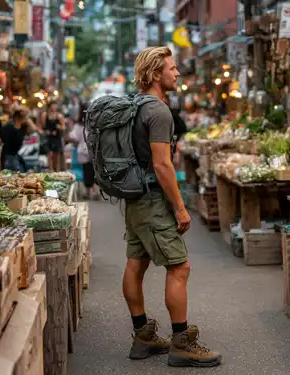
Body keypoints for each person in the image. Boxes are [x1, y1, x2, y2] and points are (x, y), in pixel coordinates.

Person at [123, 46, 221, 367]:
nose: (177, 73)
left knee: (136, 264)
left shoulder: (134, 105)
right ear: (155, 74)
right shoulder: (159, 111)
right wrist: (180, 207)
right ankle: (181, 343)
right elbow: (163, 165)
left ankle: (143, 335)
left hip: (135, 198)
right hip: (152, 200)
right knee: (180, 267)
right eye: (172, 68)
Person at [69, 101, 99, 200]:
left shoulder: (79, 124)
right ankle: (94, 191)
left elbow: (73, 137)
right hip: (94, 150)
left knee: (87, 171)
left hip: (83, 151)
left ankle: (88, 192)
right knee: (95, 171)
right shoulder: (96, 123)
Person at [0, 107, 35, 171]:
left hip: (15, 155)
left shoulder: (22, 127)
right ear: (18, 117)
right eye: (26, 117)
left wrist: (27, 118)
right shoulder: (9, 127)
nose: (27, 118)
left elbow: (33, 129)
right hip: (8, 156)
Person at [40, 101, 65, 171]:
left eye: (55, 105)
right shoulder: (45, 115)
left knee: (56, 156)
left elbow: (63, 127)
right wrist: (44, 131)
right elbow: (43, 126)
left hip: (57, 138)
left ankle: (56, 171)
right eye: (52, 105)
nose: (54, 107)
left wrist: (59, 127)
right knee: (49, 154)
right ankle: (50, 170)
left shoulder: (59, 116)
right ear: (49, 106)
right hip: (49, 138)